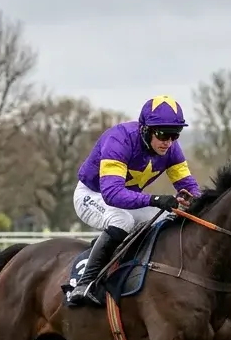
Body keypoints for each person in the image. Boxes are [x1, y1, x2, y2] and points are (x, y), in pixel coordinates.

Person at [65, 95, 202, 307]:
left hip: (126, 199)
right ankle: (85, 283)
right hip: (92, 195)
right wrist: (155, 199)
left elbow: (189, 186)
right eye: (164, 134)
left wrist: (197, 203)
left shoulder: (171, 148)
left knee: (170, 218)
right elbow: (112, 194)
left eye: (175, 135)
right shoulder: (119, 140)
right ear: (145, 129)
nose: (169, 142)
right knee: (122, 221)